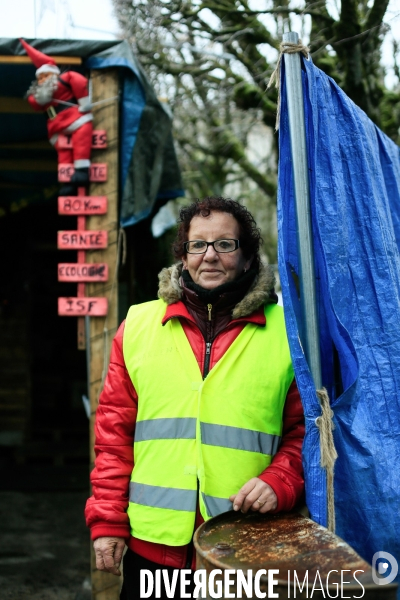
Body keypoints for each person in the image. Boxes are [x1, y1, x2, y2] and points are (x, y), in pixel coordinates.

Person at [85, 197, 305, 599]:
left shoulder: (287, 335)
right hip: (153, 552)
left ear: (247, 256)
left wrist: (281, 480)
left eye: (225, 244)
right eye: (197, 244)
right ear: (183, 256)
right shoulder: (137, 325)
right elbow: (113, 438)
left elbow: (307, 433)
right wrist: (107, 523)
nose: (210, 256)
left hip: (244, 547)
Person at [20, 38, 93, 195]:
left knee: (82, 140)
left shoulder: (64, 79)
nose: (42, 80)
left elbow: (79, 81)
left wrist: (84, 102)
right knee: (64, 154)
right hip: (56, 127)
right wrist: (37, 94)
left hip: (75, 119)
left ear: (52, 74)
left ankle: (81, 171)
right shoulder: (41, 94)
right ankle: (67, 182)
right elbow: (34, 103)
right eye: (39, 78)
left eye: (44, 76)